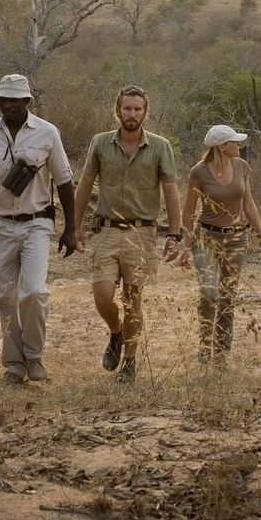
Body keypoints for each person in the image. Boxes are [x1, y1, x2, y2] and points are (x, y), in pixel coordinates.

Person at [0, 73, 76, 385]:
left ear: (28, 101)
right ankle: (14, 365)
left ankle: (34, 355)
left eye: (15, 99)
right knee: (4, 298)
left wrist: (70, 228)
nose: (8, 104)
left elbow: (65, 180)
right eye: (4, 99)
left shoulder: (47, 133)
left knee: (33, 292)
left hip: (37, 223)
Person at [74, 85, 182, 383]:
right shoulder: (100, 143)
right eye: (126, 108)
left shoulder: (160, 146)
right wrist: (74, 226)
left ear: (145, 112)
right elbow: (84, 185)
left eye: (137, 109)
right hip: (106, 229)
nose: (131, 114)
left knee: (134, 299)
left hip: (141, 232)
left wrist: (175, 235)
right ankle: (115, 332)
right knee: (103, 294)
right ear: (117, 110)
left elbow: (171, 192)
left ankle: (130, 363)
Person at [179, 124, 261, 363]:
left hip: (236, 238)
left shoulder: (242, 167)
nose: (238, 145)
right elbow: (189, 209)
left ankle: (221, 352)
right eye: (234, 142)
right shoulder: (198, 173)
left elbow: (249, 204)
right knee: (210, 292)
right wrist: (185, 245)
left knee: (227, 295)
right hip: (206, 237)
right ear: (222, 147)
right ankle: (205, 344)